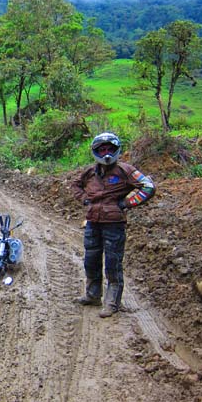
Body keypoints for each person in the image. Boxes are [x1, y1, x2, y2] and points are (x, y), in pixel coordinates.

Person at [72, 132, 156, 318]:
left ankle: (112, 303)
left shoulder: (125, 170)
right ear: (95, 152)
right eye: (102, 150)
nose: (106, 153)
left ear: (117, 150)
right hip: (93, 222)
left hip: (114, 224)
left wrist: (126, 203)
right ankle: (93, 295)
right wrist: (85, 200)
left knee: (112, 263)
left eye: (110, 149)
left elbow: (148, 187)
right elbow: (75, 185)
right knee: (91, 260)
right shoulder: (90, 172)